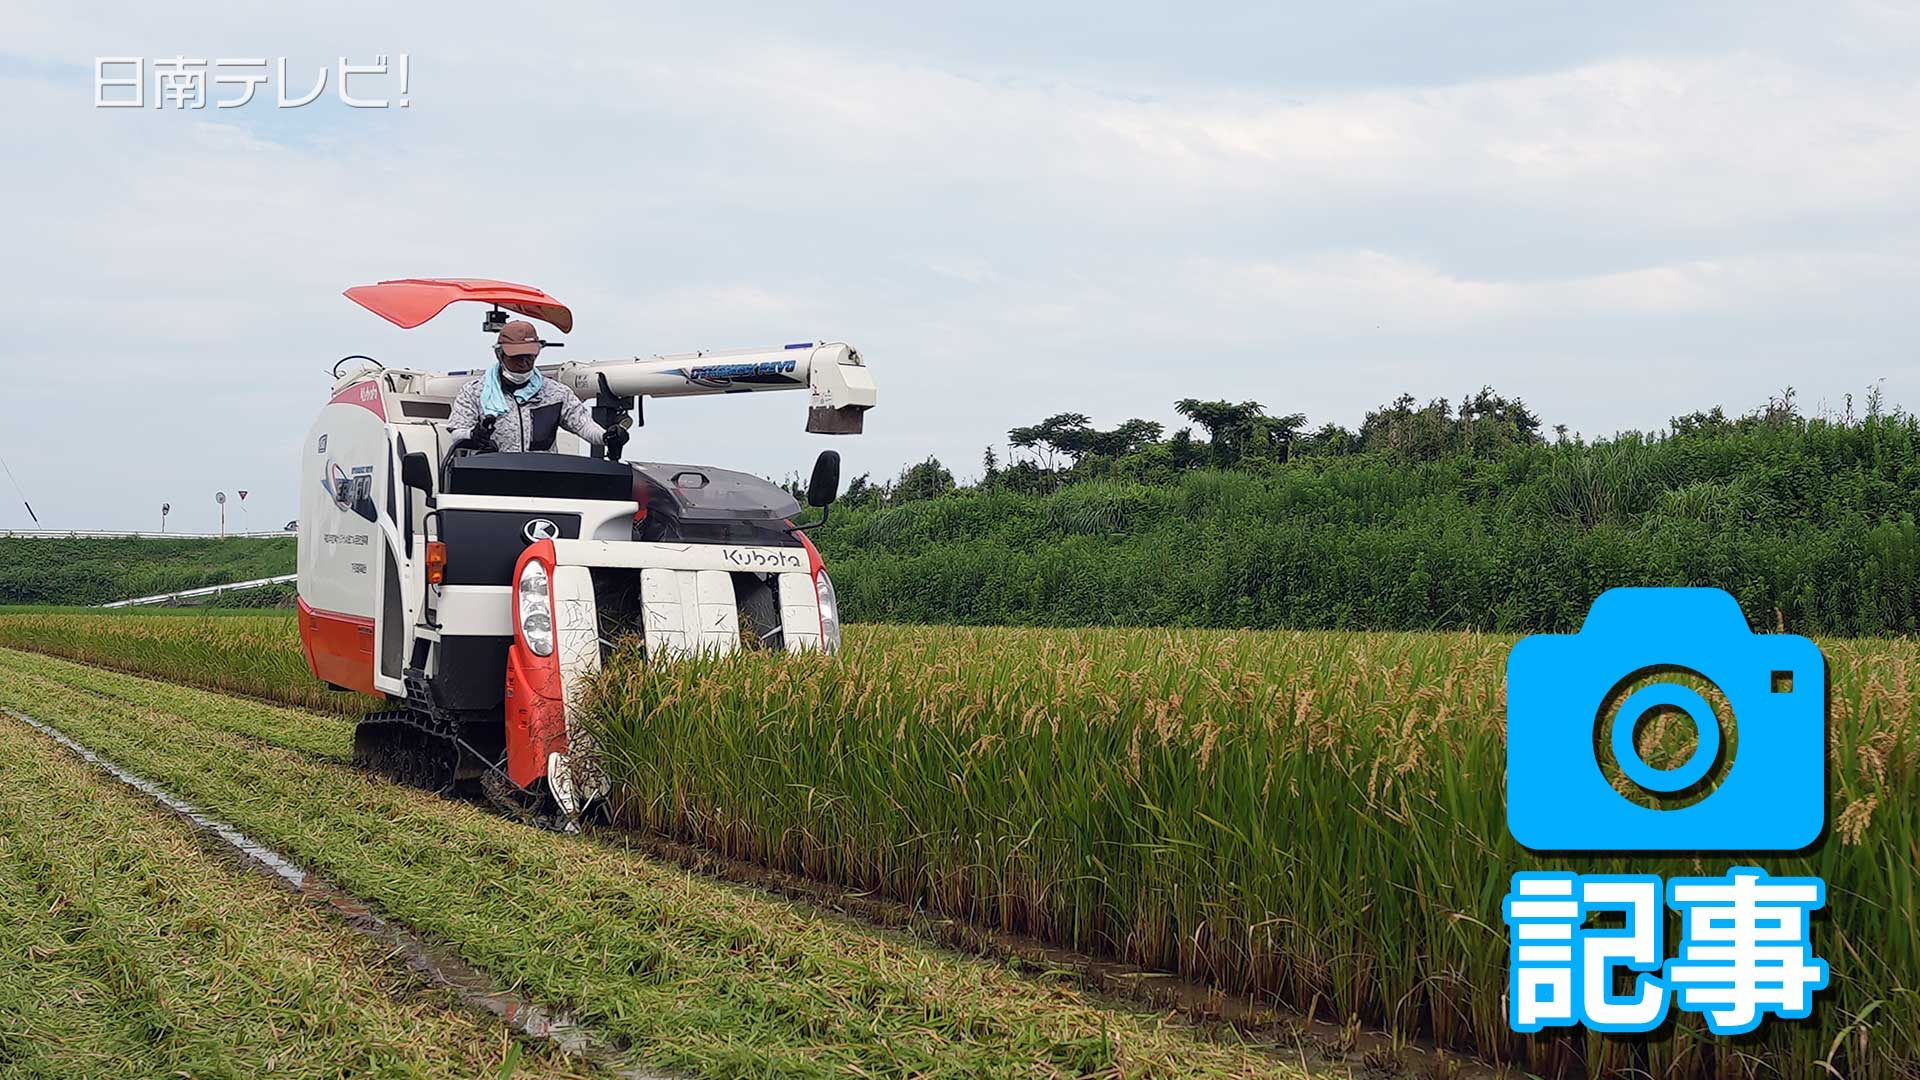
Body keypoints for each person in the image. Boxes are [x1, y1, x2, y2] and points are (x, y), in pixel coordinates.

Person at [447, 320, 629, 455]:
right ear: (499, 355)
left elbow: (583, 425)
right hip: (489, 479)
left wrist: (607, 437)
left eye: (530, 356)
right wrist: (473, 435)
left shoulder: (557, 393)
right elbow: (457, 433)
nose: (524, 362)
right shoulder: (473, 392)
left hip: (542, 482)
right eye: (516, 357)